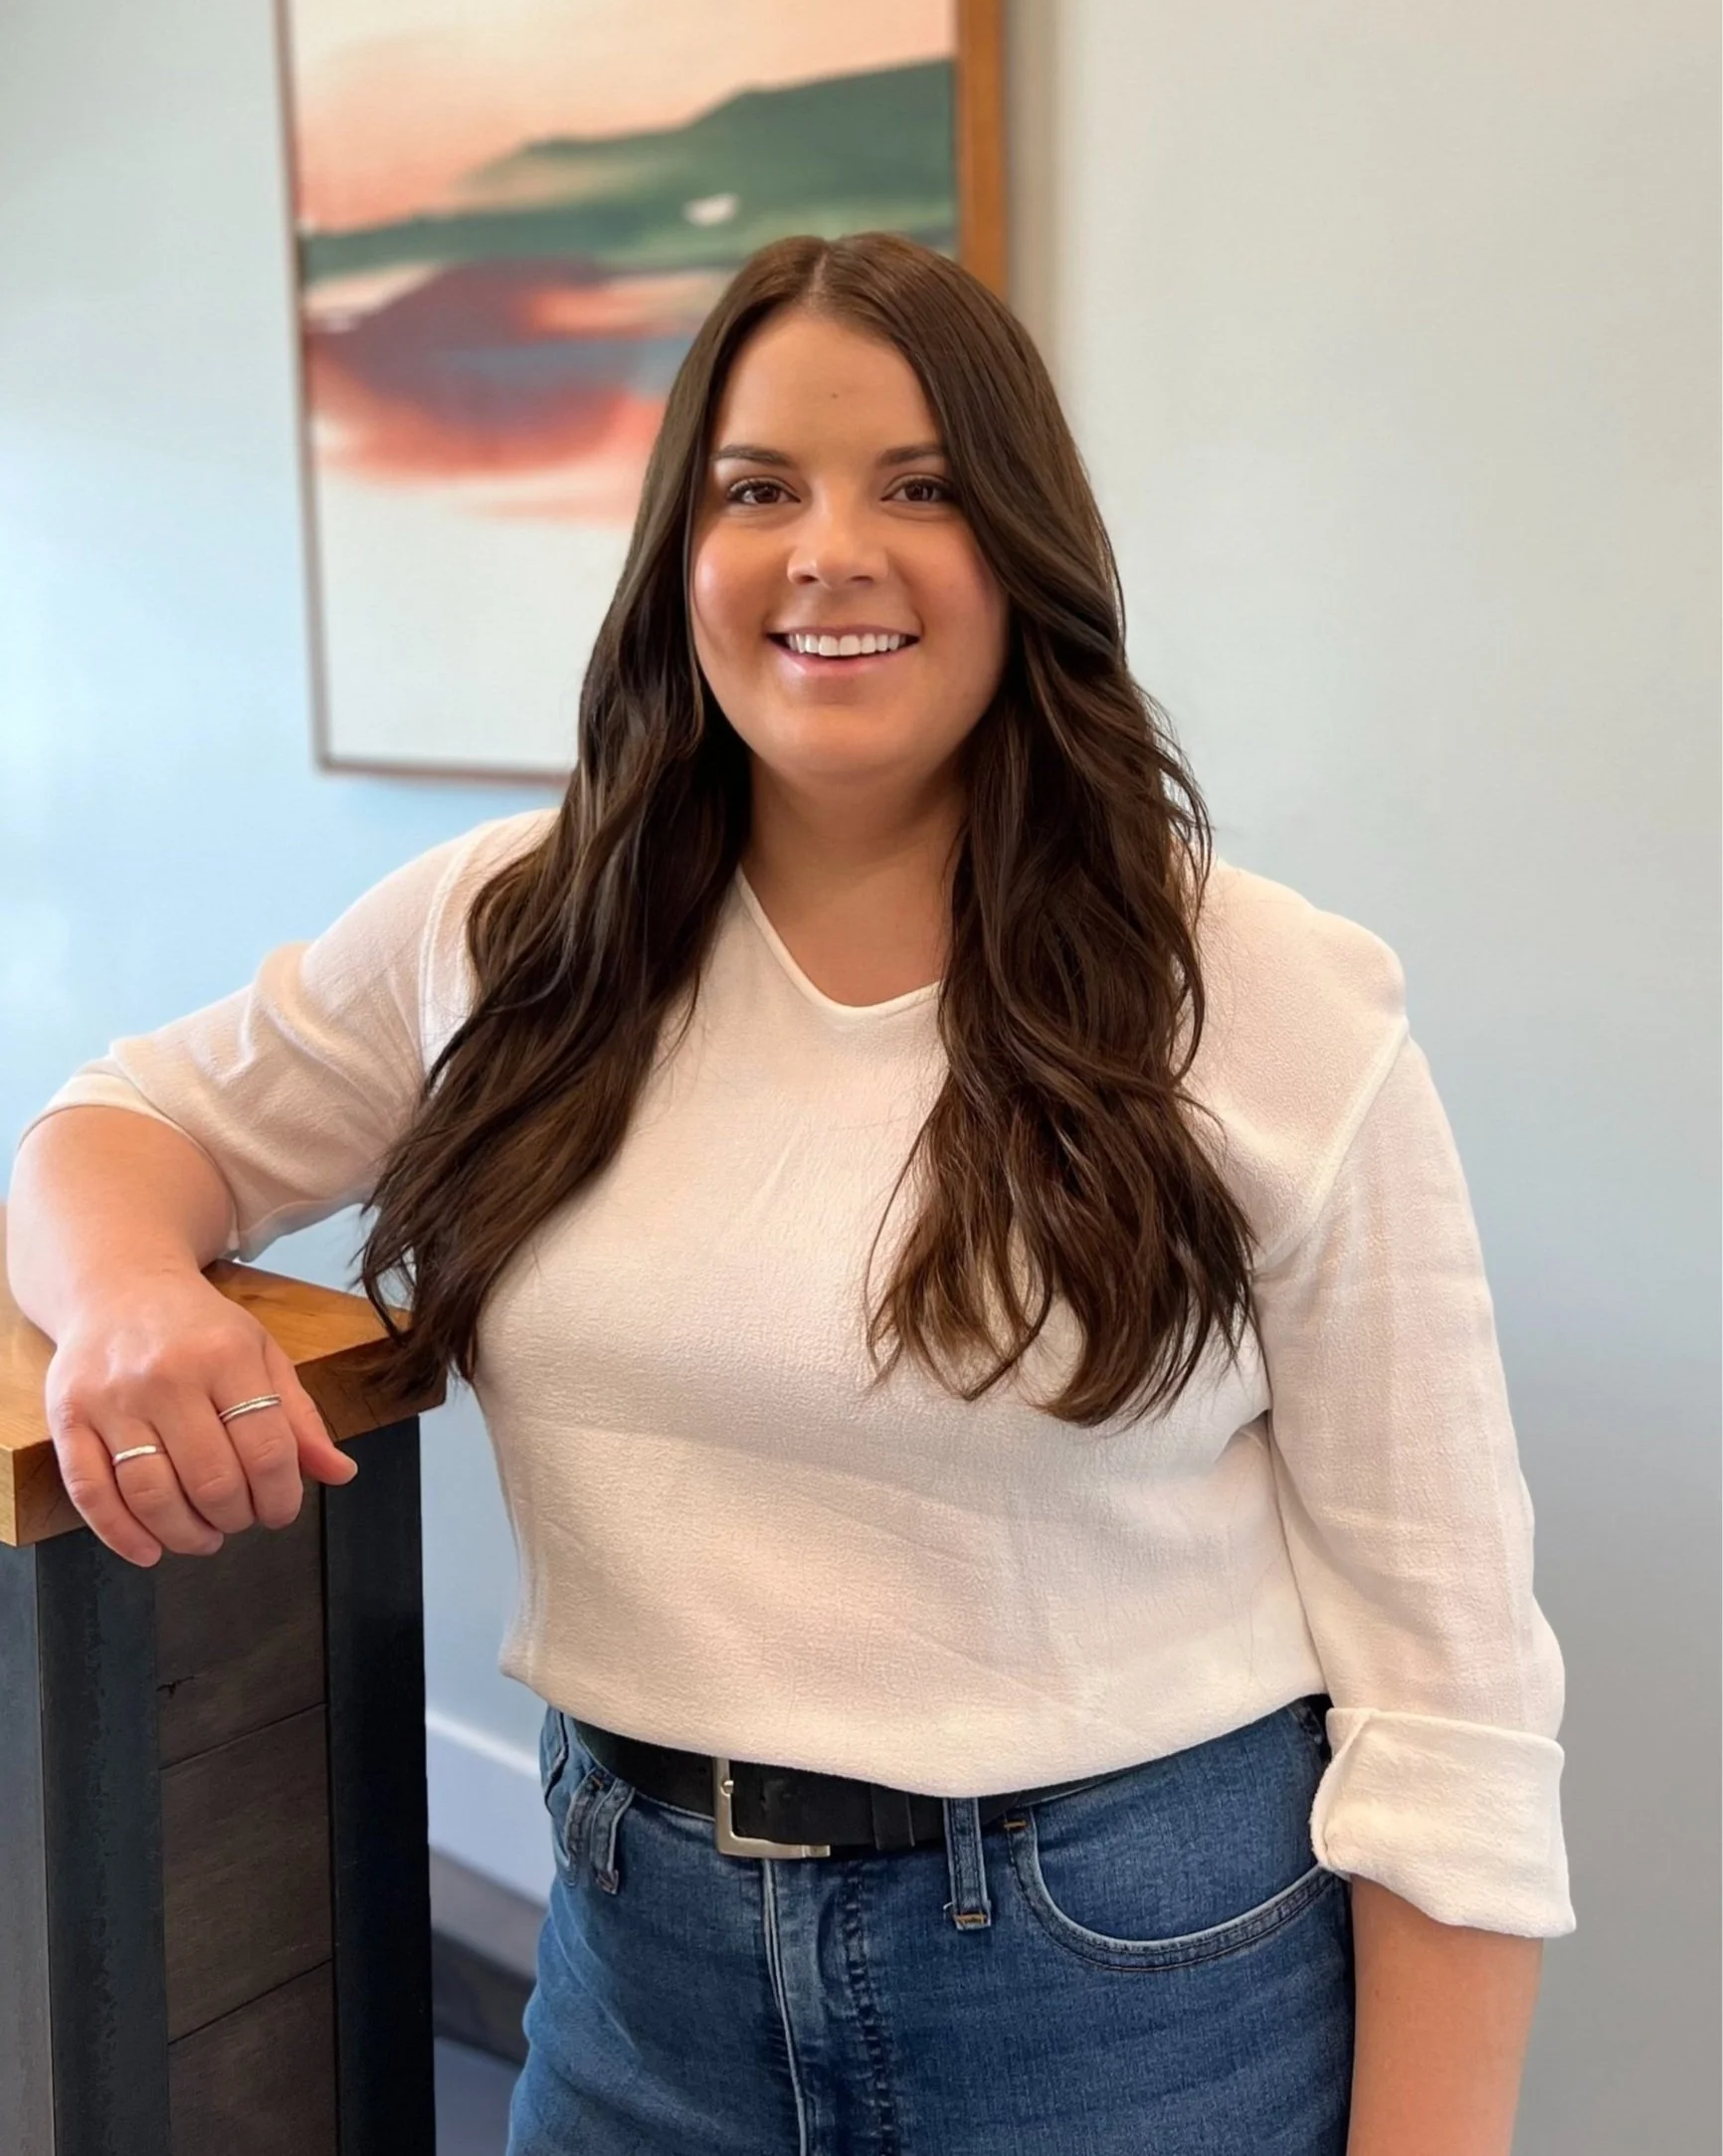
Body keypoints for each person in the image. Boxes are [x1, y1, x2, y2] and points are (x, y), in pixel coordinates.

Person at [7, 231, 1573, 2155]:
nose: (830, 551)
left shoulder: (1259, 1000)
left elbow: (1455, 1688)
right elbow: (119, 1122)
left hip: (1126, 1994)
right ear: (685, 552)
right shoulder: (518, 929)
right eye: (760, 490)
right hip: (634, 1978)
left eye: (919, 488)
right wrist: (133, 1295)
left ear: (1028, 553)